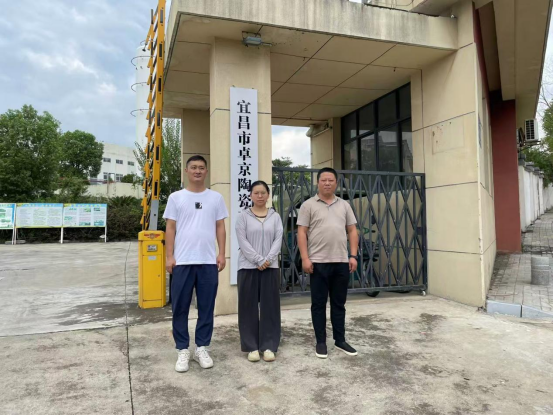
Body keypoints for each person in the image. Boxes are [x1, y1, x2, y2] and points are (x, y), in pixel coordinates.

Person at [163, 155, 228, 373]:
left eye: (201, 167)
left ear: (206, 171)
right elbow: (170, 228)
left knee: (206, 308)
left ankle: (202, 348)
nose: (197, 171)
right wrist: (169, 256)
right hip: (182, 262)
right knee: (180, 307)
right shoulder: (176, 197)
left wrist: (222, 254)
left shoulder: (216, 198)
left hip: (208, 261)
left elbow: (220, 227)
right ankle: (182, 349)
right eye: (193, 167)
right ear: (187, 171)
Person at [297, 167, 359, 359]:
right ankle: (321, 342)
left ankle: (340, 340)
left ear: (336, 183)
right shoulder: (308, 205)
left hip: (341, 262)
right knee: (318, 304)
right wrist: (305, 258)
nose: (327, 183)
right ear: (318, 183)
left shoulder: (344, 205)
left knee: (339, 304)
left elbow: (352, 230)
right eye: (323, 180)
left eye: (331, 180)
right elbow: (301, 232)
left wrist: (353, 256)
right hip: (318, 263)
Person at [235, 181, 283, 363]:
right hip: (248, 267)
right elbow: (243, 242)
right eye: (256, 193)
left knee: (270, 306)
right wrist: (258, 260)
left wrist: (268, 259)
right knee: (248, 307)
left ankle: (269, 345)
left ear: (268, 195)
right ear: (251, 195)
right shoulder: (243, 217)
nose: (260, 196)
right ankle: (251, 346)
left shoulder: (275, 217)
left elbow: (278, 239)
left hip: (270, 267)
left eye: (263, 192)